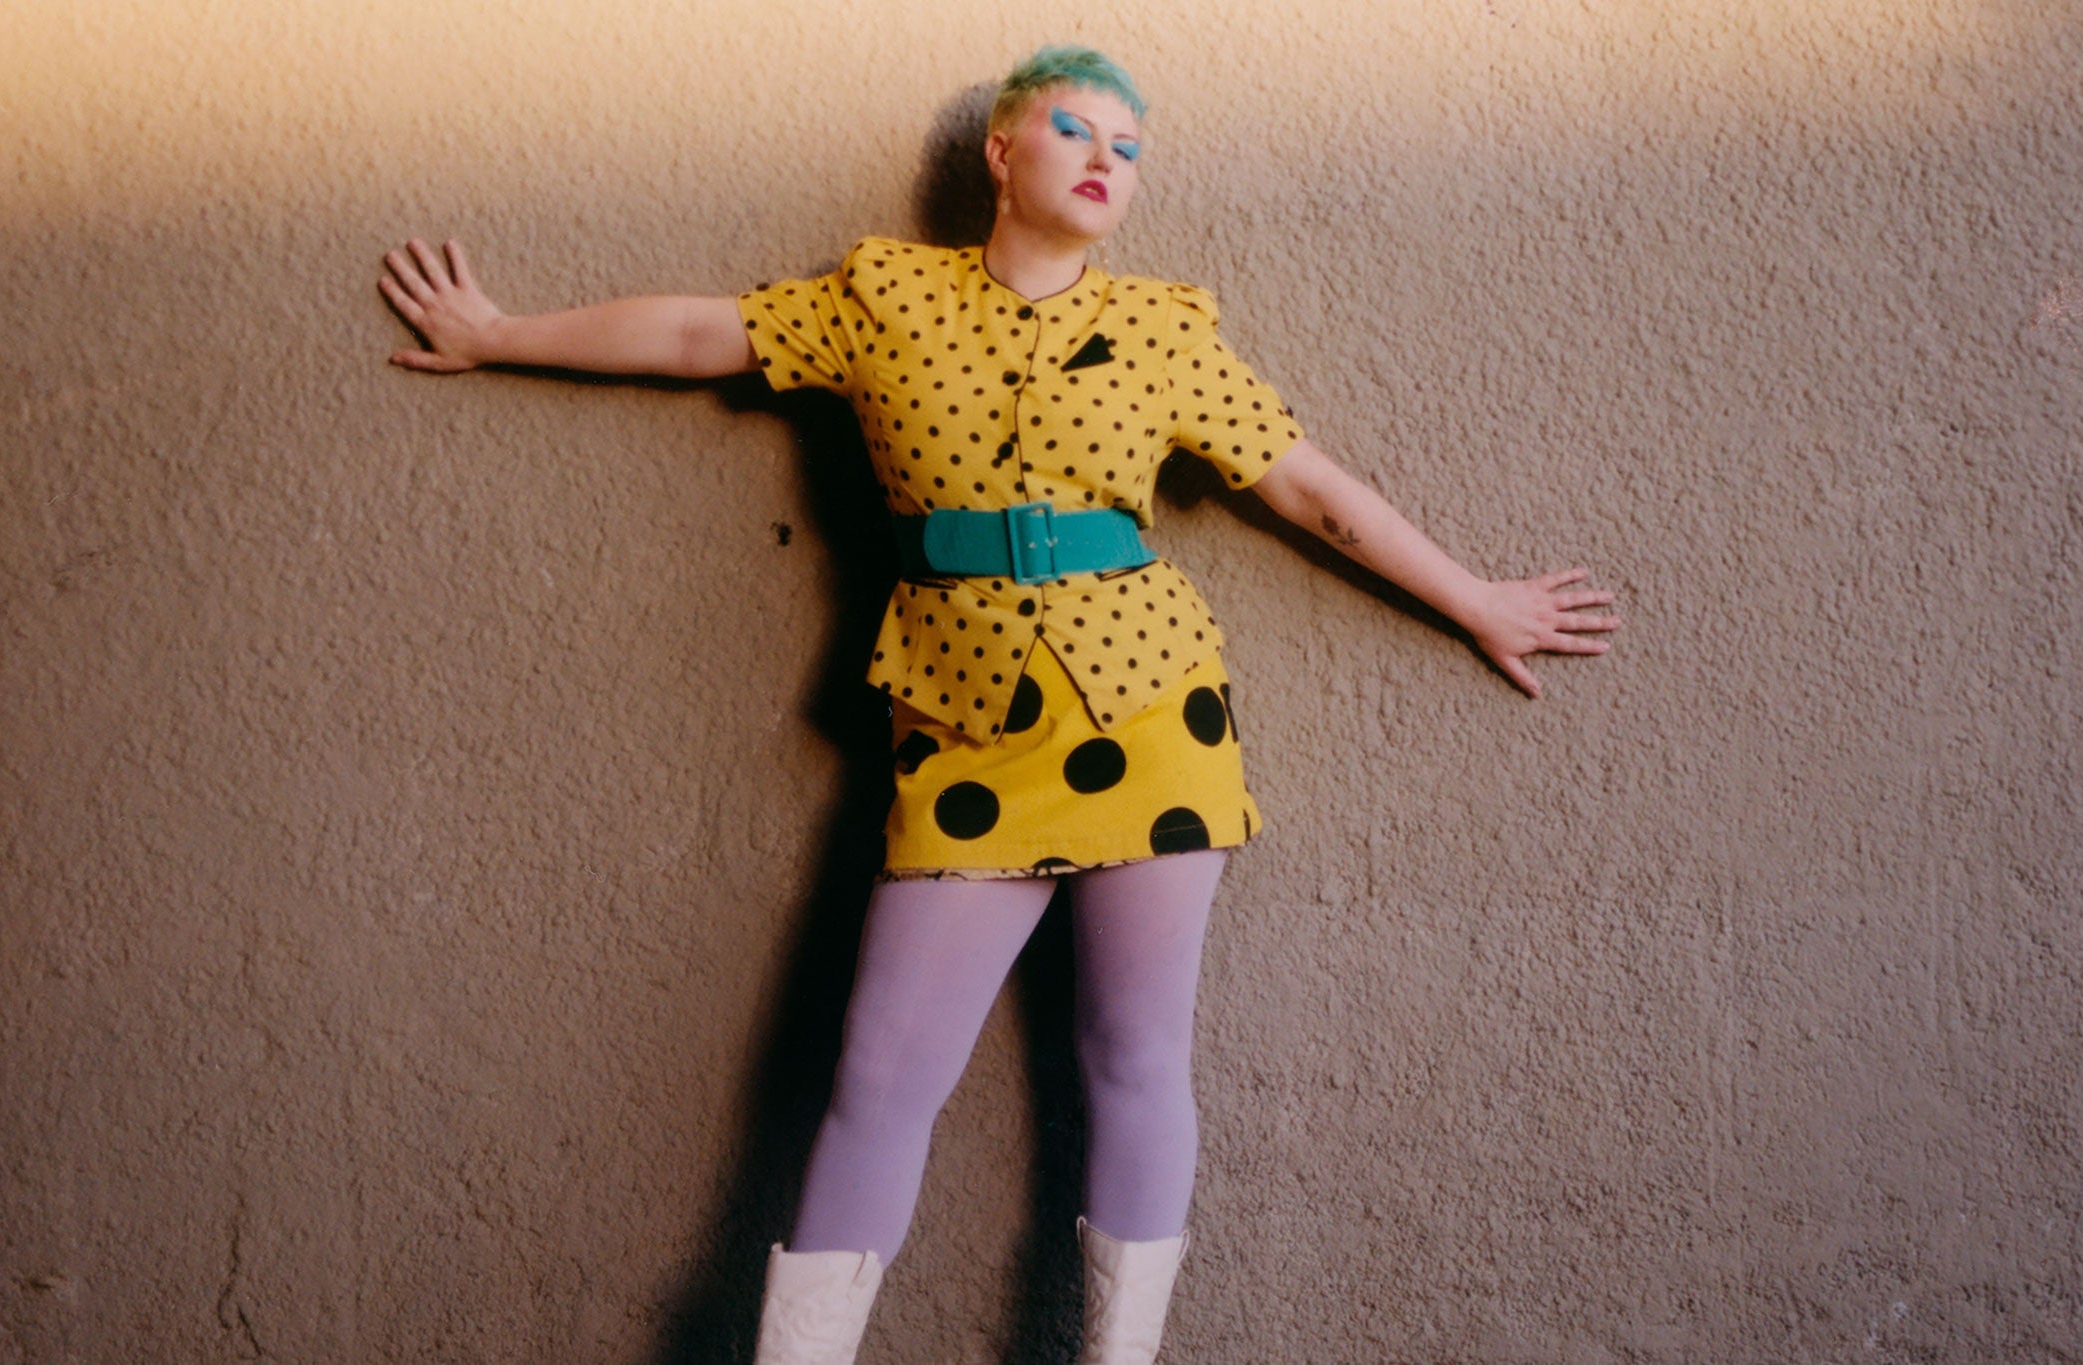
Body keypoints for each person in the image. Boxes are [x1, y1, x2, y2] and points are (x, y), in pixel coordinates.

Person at [378, 44, 1618, 1365]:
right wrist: (499, 334)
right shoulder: (885, 297)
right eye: (1076, 131)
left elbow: (1307, 487)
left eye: (1128, 150)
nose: (1104, 161)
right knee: (878, 1073)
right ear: (1002, 150)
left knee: (1133, 1056)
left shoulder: (1164, 330)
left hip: (1151, 713)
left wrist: (1477, 600)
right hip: (965, 726)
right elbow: (699, 335)